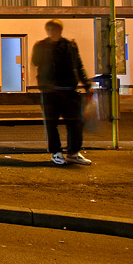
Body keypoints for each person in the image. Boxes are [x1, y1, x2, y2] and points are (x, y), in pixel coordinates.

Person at [31, 19, 92, 165]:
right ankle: (56, 152)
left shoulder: (70, 46)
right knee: (52, 124)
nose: (52, 32)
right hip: (50, 91)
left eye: (54, 29)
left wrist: (86, 83)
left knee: (75, 123)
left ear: (60, 30)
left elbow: (78, 64)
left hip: (68, 89)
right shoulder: (41, 46)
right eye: (50, 29)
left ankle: (73, 152)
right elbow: (35, 61)